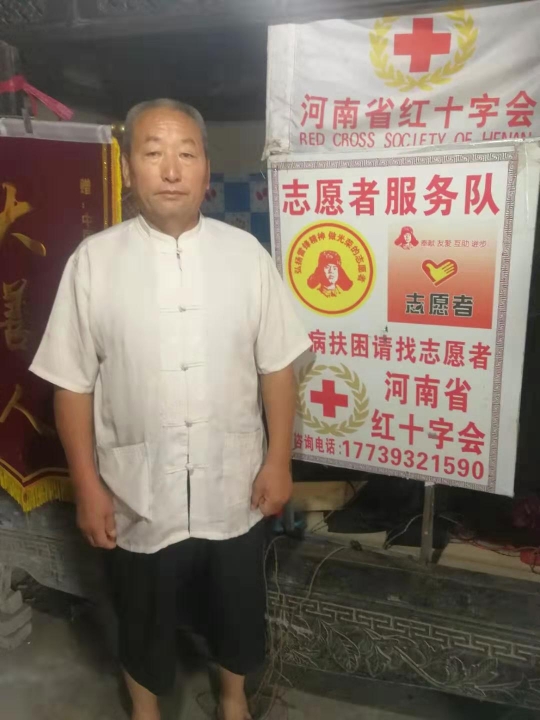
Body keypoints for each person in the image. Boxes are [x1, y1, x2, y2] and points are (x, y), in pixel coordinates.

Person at [30, 99, 310, 720]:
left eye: (187, 153)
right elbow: (71, 385)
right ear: (129, 168)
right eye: (154, 153)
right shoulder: (93, 262)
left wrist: (278, 461)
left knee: (238, 607)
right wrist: (87, 488)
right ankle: (146, 710)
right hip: (137, 489)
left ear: (207, 168)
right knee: (141, 612)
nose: (172, 169)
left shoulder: (246, 256)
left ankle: (232, 701)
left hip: (234, 484)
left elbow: (278, 367)